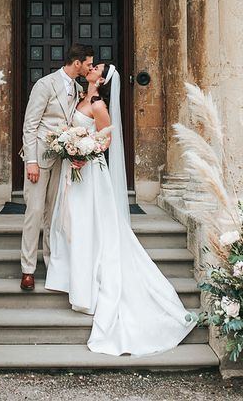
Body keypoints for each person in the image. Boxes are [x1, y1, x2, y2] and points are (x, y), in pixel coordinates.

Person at [45, 63, 196, 355]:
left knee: (90, 226)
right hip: (75, 174)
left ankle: (87, 286)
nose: (90, 67)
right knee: (73, 224)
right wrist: (68, 143)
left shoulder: (99, 105)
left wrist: (81, 150)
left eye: (95, 67)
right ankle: (72, 277)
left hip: (89, 173)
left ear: (100, 80)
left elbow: (106, 141)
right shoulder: (79, 97)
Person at [20, 43, 94, 291]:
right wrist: (31, 161)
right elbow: (30, 124)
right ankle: (28, 269)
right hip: (39, 159)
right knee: (34, 211)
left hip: (62, 159)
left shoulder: (77, 87)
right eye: (88, 64)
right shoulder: (45, 84)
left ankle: (52, 264)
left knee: (53, 213)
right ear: (77, 63)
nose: (90, 68)